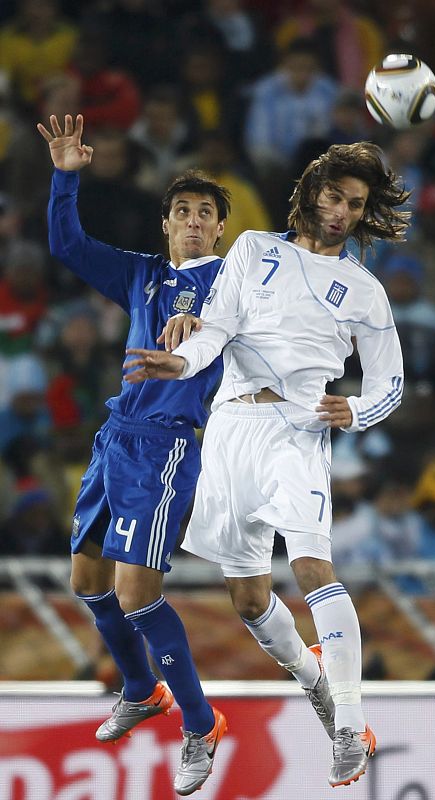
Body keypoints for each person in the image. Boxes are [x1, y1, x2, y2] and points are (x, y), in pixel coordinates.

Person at [124, 141, 410, 787]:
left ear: (363, 214)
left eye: (355, 205)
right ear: (311, 193)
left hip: (298, 428)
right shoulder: (253, 247)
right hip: (231, 426)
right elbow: (218, 328)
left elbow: (389, 383)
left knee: (311, 565)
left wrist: (356, 411)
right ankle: (315, 682)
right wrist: (182, 360)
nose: (341, 211)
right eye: (334, 197)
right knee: (248, 597)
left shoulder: (364, 290)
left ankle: (347, 727)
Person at [37, 113, 231, 797]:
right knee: (85, 579)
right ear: (166, 224)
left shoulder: (231, 287)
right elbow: (67, 244)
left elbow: (238, 325)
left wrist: (205, 324)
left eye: (204, 213)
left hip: (166, 448)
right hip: (114, 439)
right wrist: (66, 176)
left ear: (218, 229)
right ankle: (143, 688)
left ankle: (200, 724)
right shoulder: (143, 275)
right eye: (181, 210)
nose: (191, 220)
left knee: (135, 594)